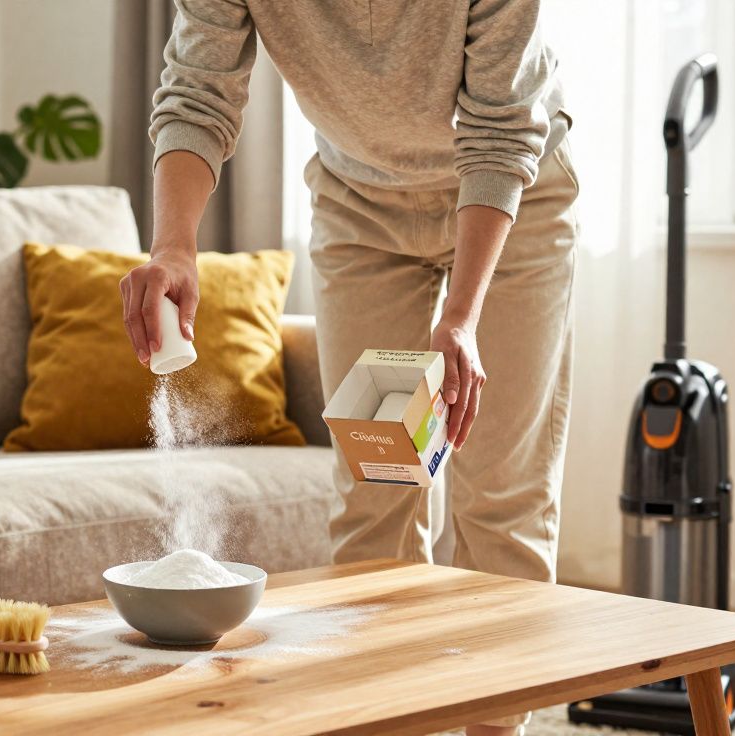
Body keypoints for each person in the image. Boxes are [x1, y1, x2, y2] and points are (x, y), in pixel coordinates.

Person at [120, 3, 576, 733]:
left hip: (509, 206)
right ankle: (391, 719)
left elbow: (501, 129)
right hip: (361, 210)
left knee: (500, 501)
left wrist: (461, 315)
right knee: (377, 493)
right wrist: (173, 245)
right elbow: (199, 89)